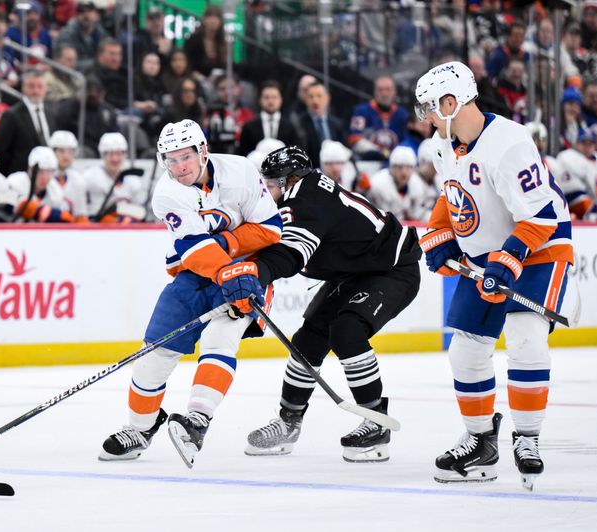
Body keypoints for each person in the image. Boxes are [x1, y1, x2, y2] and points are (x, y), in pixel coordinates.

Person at [414, 61, 574, 490]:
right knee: (465, 351)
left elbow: (541, 216)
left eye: (429, 107)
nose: (426, 117)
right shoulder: (442, 144)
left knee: (525, 339)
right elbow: (452, 194)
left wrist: (509, 259)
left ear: (451, 103)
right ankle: (481, 441)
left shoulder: (509, 143)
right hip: (487, 252)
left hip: (540, 248)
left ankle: (528, 438)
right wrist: (439, 232)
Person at [98, 119, 282, 468]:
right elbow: (195, 249)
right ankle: (140, 428)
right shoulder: (167, 193)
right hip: (193, 274)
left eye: (185, 156)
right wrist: (227, 260)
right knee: (154, 353)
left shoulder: (240, 171)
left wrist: (229, 251)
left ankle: (197, 421)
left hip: (247, 271)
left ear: (203, 151)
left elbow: (271, 229)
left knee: (219, 338)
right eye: (171, 159)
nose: (179, 166)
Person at [240, 145, 421, 462]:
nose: (265, 190)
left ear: (289, 180)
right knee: (308, 338)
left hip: (392, 269)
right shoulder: (303, 191)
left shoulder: (305, 201)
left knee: (347, 330)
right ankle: (288, 422)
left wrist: (255, 274)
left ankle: (376, 422)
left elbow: (291, 255)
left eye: (270, 183)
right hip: (356, 269)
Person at [0, 69, 54, 175]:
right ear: (23, 88)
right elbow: (0, 151)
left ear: (46, 89)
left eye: (40, 86)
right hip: (18, 176)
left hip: (46, 176)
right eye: (31, 86)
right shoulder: (11, 115)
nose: (35, 91)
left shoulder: (51, 113)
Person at [83, 132, 147, 223]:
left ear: (125, 155)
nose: (115, 158)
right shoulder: (91, 177)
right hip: (100, 229)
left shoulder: (132, 179)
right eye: (111, 154)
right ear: (103, 155)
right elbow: (92, 214)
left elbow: (141, 213)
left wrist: (129, 219)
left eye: (118, 154)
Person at [2, 146, 72, 223]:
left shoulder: (55, 189)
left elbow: (65, 213)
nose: (45, 177)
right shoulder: (15, 181)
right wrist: (45, 212)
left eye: (50, 171)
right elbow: (6, 204)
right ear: (30, 169)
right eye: (40, 171)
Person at [348, 75, 409, 161]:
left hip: (396, 162)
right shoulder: (361, 112)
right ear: (375, 92)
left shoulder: (402, 115)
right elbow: (354, 138)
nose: (384, 94)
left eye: (388, 89)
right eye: (380, 90)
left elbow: (408, 141)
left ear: (394, 92)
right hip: (367, 162)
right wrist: (378, 151)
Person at [237, 80, 300, 156]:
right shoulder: (249, 127)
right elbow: (243, 154)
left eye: (274, 97)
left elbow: (294, 154)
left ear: (281, 100)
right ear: (260, 100)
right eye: (266, 97)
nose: (270, 101)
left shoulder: (290, 127)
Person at [367, 145, 430, 221]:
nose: (404, 173)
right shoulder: (379, 184)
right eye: (400, 167)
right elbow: (385, 219)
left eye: (408, 167)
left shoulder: (417, 184)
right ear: (392, 168)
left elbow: (417, 214)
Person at [49, 130, 87, 219]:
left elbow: (80, 214)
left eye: (70, 151)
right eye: (61, 151)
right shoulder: (43, 177)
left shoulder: (78, 180)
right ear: (52, 152)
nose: (66, 156)